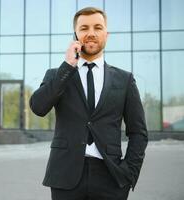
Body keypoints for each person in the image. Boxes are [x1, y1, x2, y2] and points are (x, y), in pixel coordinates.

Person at [29, 7, 148, 200]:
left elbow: (138, 132)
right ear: (75, 34)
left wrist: (129, 173)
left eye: (97, 27)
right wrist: (67, 66)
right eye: (84, 28)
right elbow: (38, 107)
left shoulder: (125, 80)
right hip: (65, 177)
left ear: (106, 35)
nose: (91, 33)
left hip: (112, 177)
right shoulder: (58, 74)